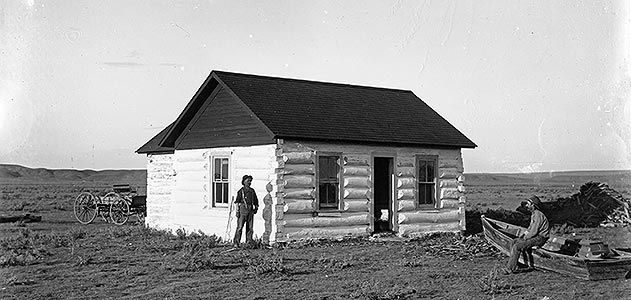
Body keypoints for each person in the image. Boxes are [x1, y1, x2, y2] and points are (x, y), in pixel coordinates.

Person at [503, 195, 550, 274]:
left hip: (540, 238)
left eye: (528, 204)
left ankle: (510, 269)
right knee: (514, 241)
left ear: (533, 205)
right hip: (536, 236)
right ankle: (516, 263)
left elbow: (534, 231)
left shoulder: (538, 215)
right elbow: (529, 229)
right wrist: (522, 236)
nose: (527, 206)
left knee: (517, 246)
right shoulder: (534, 214)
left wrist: (525, 238)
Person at [233, 175, 259, 247]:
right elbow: (237, 202)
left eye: (250, 181)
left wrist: (256, 208)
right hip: (242, 210)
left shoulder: (252, 191)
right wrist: (237, 211)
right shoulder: (241, 191)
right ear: (244, 182)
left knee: (250, 227)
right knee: (240, 227)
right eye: (248, 181)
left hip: (250, 210)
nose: (249, 182)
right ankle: (236, 242)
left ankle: (249, 242)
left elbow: (256, 201)